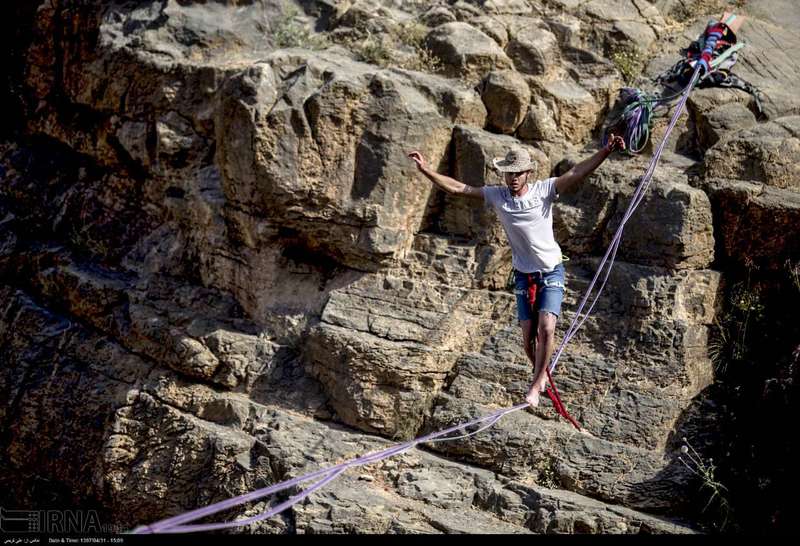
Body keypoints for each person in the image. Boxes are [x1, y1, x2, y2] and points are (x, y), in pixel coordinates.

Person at [408, 135, 625, 407]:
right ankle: (541, 371)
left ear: (528, 174)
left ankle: (536, 384)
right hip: (524, 275)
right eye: (508, 173)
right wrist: (425, 169)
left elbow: (577, 171)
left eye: (518, 173)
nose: (512, 178)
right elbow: (458, 189)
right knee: (527, 342)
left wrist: (605, 150)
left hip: (551, 271)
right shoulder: (497, 195)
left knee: (546, 328)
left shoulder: (544, 190)